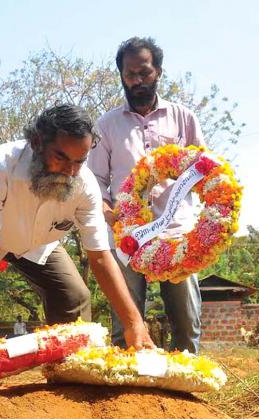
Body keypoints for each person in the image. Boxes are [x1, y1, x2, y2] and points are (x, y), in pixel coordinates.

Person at [0, 104, 154, 350]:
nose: (70, 171)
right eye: (61, 157)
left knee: (74, 296)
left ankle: (68, 370)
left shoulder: (84, 185)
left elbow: (99, 257)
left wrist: (134, 323)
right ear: (36, 142)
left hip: (36, 241)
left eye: (80, 161)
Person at [88, 37, 204, 354]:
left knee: (187, 323)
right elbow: (94, 180)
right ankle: (125, 399)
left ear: (159, 72)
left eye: (144, 73)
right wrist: (110, 215)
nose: (138, 81)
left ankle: (186, 394)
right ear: (121, 76)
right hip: (127, 237)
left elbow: (203, 169)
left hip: (177, 233)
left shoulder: (184, 118)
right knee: (124, 324)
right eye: (130, 75)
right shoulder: (106, 125)